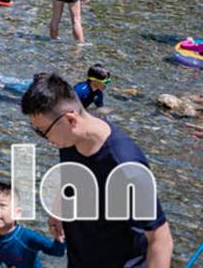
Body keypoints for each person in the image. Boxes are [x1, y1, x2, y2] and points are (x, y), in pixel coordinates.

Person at [20, 72, 171, 267]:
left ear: (70, 120)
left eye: (43, 131)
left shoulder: (125, 165)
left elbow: (160, 239)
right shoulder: (69, 141)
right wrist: (58, 210)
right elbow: (71, 177)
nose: (45, 139)